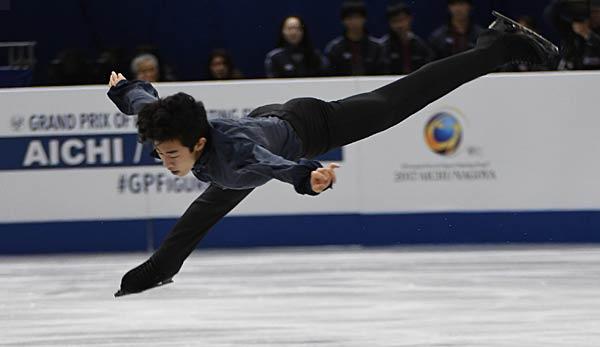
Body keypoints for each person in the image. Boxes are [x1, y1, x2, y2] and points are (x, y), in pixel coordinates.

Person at [107, 13, 558, 296]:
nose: (164, 160)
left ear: (198, 144)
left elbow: (275, 166)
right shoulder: (177, 128)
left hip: (307, 127)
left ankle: (498, 44)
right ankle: (163, 266)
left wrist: (308, 178)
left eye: (169, 153)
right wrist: (124, 88)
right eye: (161, 152)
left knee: (401, 99)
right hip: (265, 123)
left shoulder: (237, 153)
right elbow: (145, 102)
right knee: (215, 195)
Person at [324, 1, 386, 76]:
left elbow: (383, 75)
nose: (354, 22)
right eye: (350, 18)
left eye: (357, 17)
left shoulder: (377, 47)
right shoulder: (334, 48)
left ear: (364, 19)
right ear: (343, 21)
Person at [380, 2, 434, 74]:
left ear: (409, 18)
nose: (399, 25)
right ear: (389, 23)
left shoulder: (420, 45)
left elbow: (429, 69)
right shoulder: (383, 47)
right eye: (394, 21)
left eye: (402, 20)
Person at [545, 0, 600, 70]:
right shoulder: (571, 30)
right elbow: (551, 14)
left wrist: (587, 34)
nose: (594, 16)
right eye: (592, 12)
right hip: (572, 73)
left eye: (597, 12)